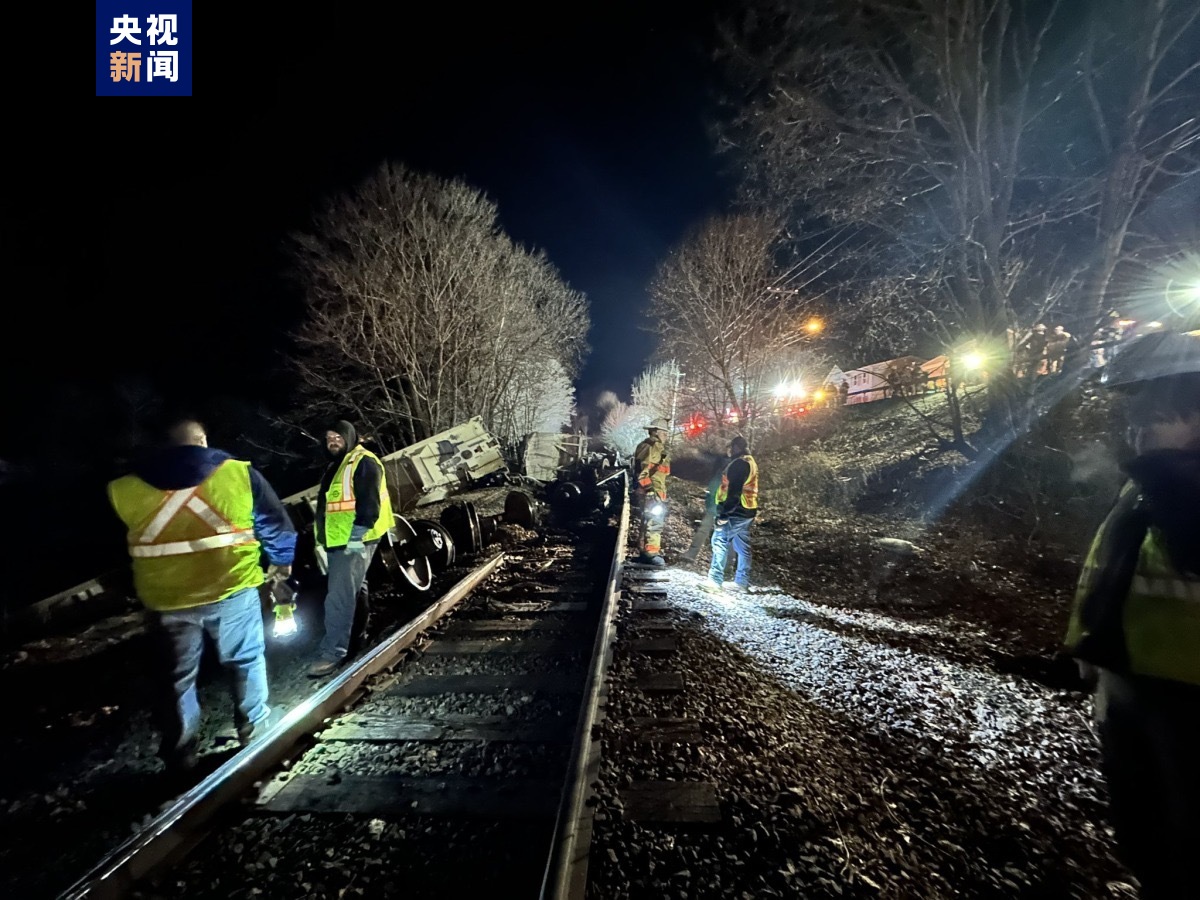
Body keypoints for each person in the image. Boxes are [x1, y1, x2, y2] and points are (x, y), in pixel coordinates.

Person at [1064, 330, 1200, 899]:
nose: (1140, 426)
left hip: (1186, 695)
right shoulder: (1146, 482)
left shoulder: (1173, 484)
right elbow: (1112, 574)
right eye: (1137, 414)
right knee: (1143, 823)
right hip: (1128, 674)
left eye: (1163, 414)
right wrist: (1088, 649)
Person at [107, 418, 296, 776]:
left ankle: (181, 756)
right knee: (245, 661)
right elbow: (276, 524)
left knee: (176, 680)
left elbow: (111, 551)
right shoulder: (238, 474)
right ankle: (254, 733)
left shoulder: (124, 488)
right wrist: (281, 567)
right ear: (203, 441)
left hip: (166, 601)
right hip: (232, 589)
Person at [308, 420, 393, 677]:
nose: (332, 441)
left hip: (355, 540)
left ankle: (333, 652)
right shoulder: (338, 465)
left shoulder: (363, 461)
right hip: (340, 541)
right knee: (356, 590)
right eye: (328, 438)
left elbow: (369, 505)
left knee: (339, 596)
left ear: (349, 436)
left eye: (337, 436)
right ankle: (357, 638)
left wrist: (356, 538)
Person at [700, 435, 759, 593]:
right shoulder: (750, 462)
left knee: (719, 540)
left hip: (736, 511)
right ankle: (741, 582)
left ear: (736, 448)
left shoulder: (739, 464)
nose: (729, 451)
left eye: (731, 448)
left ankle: (715, 580)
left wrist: (724, 515)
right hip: (748, 511)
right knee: (742, 547)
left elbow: (734, 492)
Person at [632, 418, 671, 566]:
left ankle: (644, 551)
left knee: (647, 520)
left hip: (651, 491)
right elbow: (643, 470)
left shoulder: (646, 445)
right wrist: (649, 490)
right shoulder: (653, 446)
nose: (666, 436)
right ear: (657, 432)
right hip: (652, 491)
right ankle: (651, 554)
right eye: (664, 433)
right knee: (655, 522)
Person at [680, 448, 728, 564]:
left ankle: (693, 554)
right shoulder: (722, 470)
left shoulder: (726, 470)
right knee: (714, 533)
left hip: (721, 507)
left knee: (715, 533)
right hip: (717, 507)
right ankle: (725, 563)